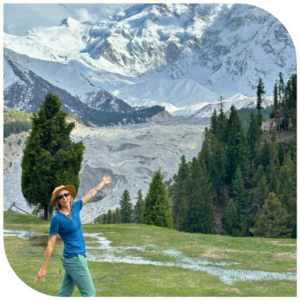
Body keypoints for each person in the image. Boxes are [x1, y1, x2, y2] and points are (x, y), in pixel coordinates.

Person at [35, 176, 112, 297]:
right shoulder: (57, 218)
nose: (64, 198)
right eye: (60, 197)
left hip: (72, 259)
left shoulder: (76, 206)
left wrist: (103, 182)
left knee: (65, 294)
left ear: (70, 195)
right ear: (57, 201)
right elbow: (50, 245)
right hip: (74, 258)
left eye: (66, 194)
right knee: (90, 294)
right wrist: (43, 268)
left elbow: (90, 194)